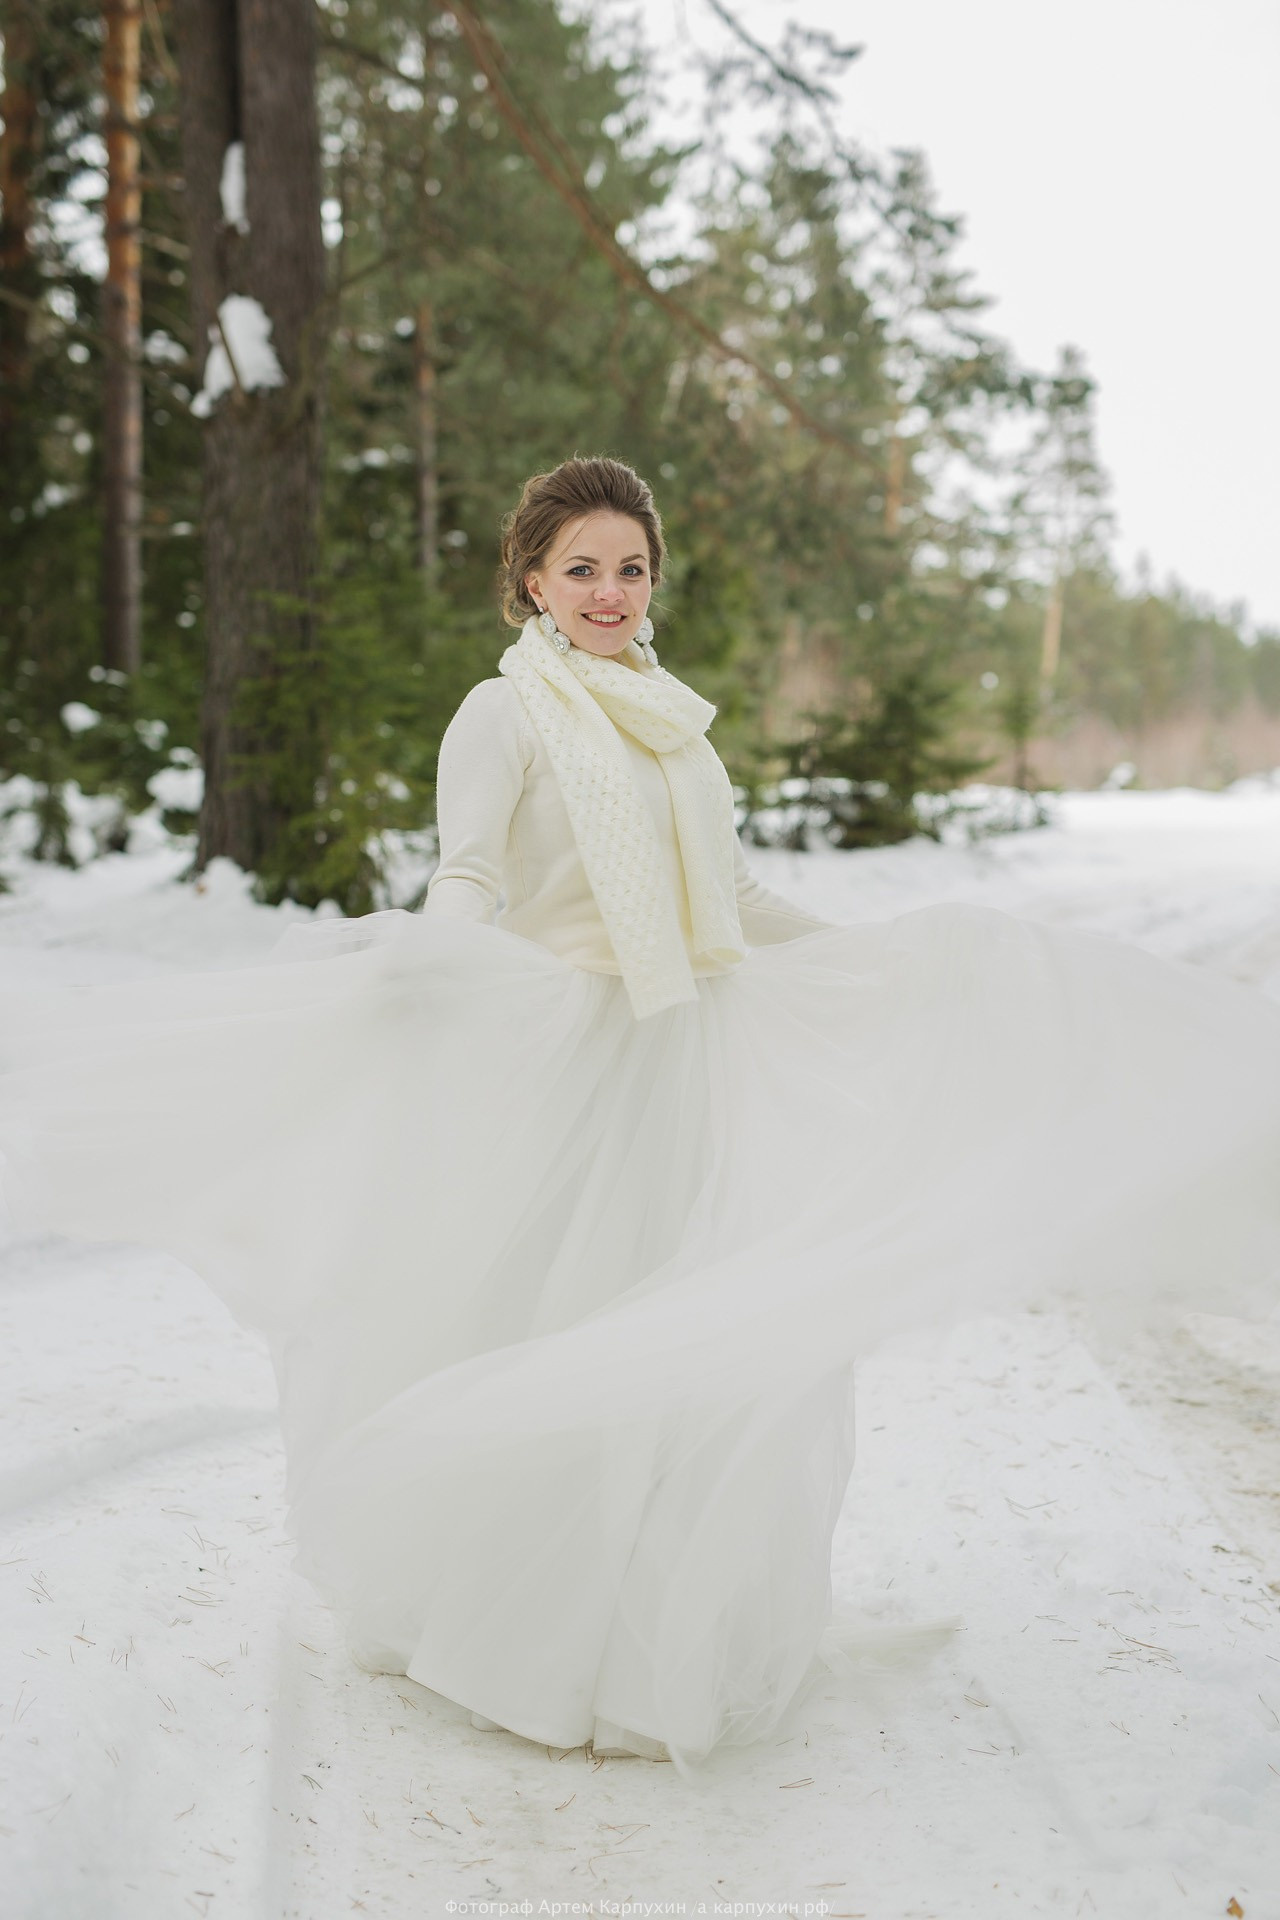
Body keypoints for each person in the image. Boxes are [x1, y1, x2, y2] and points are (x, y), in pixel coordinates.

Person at [1, 455, 1278, 1782]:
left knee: (699, 1363)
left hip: (692, 1058)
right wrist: (431, 976)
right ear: (529, 583)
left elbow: (727, 894)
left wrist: (884, 957)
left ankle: (658, 1645)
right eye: (581, 569)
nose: (609, 592)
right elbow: (471, 875)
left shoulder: (672, 719)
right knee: (572, 1341)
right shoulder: (503, 719)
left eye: (629, 566)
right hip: (572, 1059)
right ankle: (534, 1645)